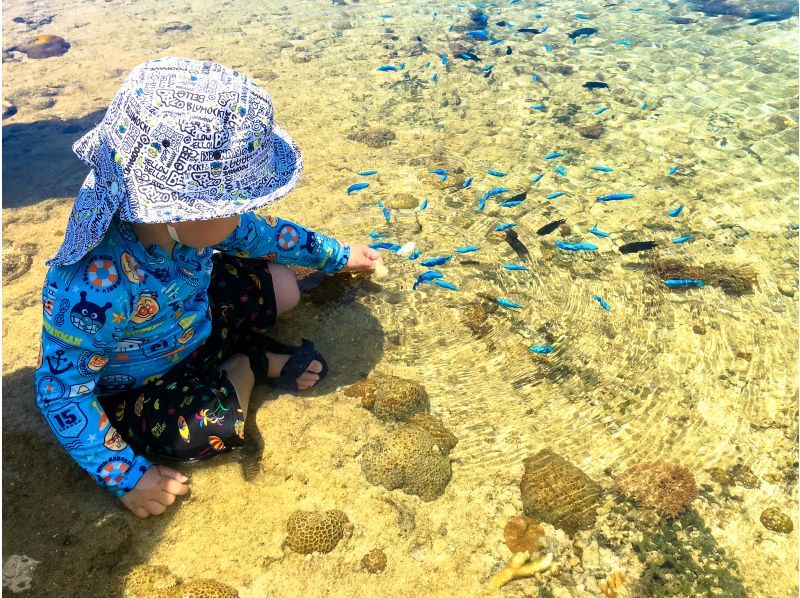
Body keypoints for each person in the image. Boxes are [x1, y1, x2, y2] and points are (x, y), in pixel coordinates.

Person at [33, 57, 383, 518]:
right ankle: (249, 364)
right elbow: (60, 389)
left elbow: (263, 235)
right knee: (206, 432)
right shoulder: (95, 288)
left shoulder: (188, 224)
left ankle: (228, 358)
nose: (243, 215)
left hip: (191, 319)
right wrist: (126, 476)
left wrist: (337, 255)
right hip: (137, 384)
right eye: (235, 204)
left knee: (285, 285)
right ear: (175, 209)